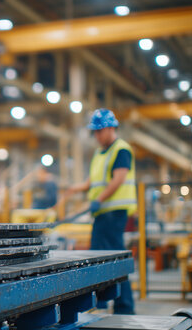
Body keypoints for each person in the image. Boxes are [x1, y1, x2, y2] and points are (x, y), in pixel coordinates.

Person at [66, 108, 136, 315]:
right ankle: (103, 302)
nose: (96, 136)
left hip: (114, 213)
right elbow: (92, 182)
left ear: (110, 128)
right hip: (102, 214)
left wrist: (98, 200)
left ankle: (124, 307)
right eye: (95, 132)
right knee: (100, 258)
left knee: (114, 260)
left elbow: (119, 178)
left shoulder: (121, 149)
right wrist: (74, 189)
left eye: (99, 131)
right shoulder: (100, 153)